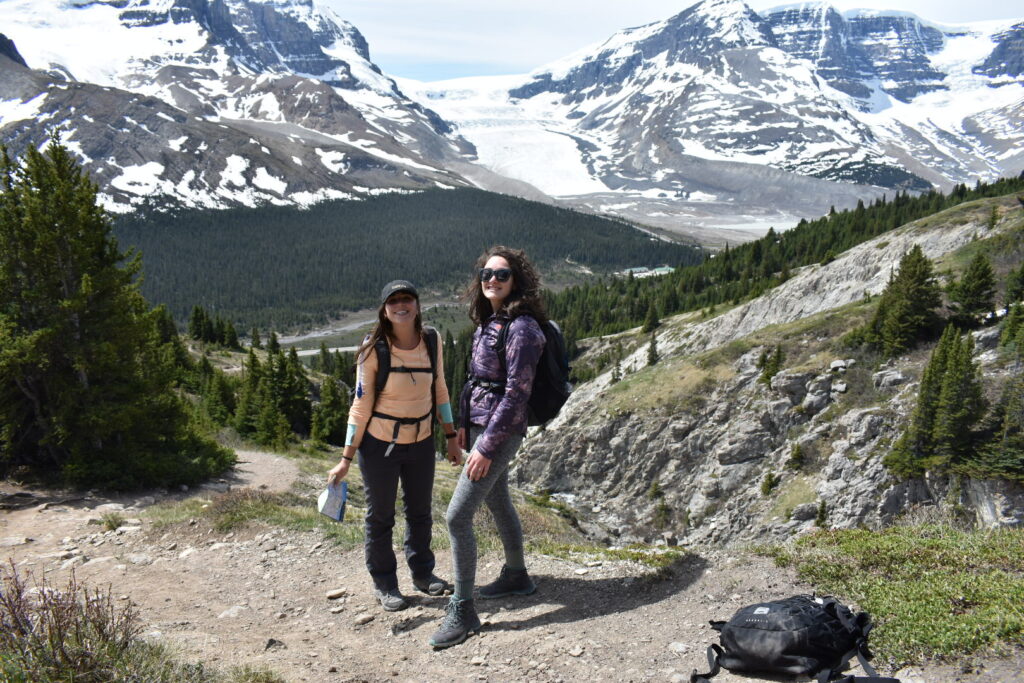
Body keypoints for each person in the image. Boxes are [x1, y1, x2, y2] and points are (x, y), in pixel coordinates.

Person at [429, 246, 547, 649]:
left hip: (500, 433)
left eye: (501, 274)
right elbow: (476, 378)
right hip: (480, 427)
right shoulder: (490, 321)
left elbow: (516, 396)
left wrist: (487, 447)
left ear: (517, 280)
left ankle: (464, 608)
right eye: (485, 274)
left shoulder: (523, 328)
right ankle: (517, 576)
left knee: (457, 516)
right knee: (498, 503)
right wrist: (464, 425)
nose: (491, 280)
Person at [327, 279, 463, 612]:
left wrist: (450, 436)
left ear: (417, 305)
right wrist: (346, 458)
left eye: (407, 299)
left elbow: (440, 388)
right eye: (394, 301)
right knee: (381, 517)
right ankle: (385, 584)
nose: (401, 305)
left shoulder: (432, 340)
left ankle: (423, 574)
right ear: (384, 310)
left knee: (420, 513)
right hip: (379, 446)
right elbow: (360, 407)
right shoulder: (374, 347)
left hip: (420, 442)